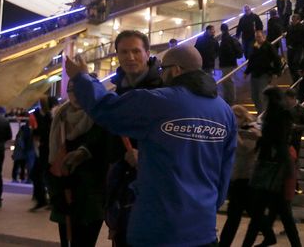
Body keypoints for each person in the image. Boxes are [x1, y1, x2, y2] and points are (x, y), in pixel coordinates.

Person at [65, 45, 237, 247]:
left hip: (156, 229)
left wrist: (82, 78)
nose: (162, 75)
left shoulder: (157, 101)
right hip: (203, 231)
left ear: (176, 70)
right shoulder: (225, 112)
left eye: (164, 70)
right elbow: (225, 174)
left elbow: (107, 109)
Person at [104, 30, 163, 245]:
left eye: (136, 51)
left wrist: (146, 155)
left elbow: (175, 136)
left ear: (147, 53)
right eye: (124, 52)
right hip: (122, 186)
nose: (130, 57)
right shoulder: (116, 92)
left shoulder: (165, 89)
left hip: (156, 188)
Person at [48, 79, 107, 247]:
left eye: (80, 90)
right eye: (71, 90)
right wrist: (55, 193)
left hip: (91, 196)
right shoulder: (59, 117)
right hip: (63, 193)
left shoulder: (101, 118)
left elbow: (103, 152)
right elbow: (48, 158)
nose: (75, 95)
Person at [242, 88, 301, 247]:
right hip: (278, 167)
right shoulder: (280, 116)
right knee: (281, 213)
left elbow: (277, 141)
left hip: (273, 167)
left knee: (261, 212)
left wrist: (260, 138)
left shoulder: (277, 117)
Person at [219, 105, 260, 247]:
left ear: (242, 116)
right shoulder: (236, 131)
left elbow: (245, 149)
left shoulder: (252, 130)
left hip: (246, 178)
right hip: (236, 178)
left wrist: (233, 133)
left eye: (234, 116)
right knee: (234, 216)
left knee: (240, 215)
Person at [244, 30, 282, 114]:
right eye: (256, 37)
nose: (257, 39)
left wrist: (276, 72)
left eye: (259, 37)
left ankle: (263, 114)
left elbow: (277, 59)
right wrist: (247, 72)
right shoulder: (255, 47)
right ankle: (260, 112)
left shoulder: (269, 47)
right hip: (254, 74)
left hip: (264, 74)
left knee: (262, 96)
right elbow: (251, 60)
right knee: (254, 96)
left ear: (264, 37)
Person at [30, 96, 56, 211]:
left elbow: (42, 132)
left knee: (40, 174)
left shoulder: (49, 117)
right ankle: (48, 200)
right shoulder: (51, 117)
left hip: (47, 150)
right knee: (47, 176)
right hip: (48, 149)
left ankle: (44, 200)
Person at [218, 23, 243, 105]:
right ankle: (229, 98)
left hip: (227, 63)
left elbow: (227, 51)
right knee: (227, 81)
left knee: (228, 81)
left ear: (221, 30)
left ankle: (230, 99)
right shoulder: (229, 38)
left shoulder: (225, 39)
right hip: (230, 62)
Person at [285, 89, 304, 159]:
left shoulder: (301, 110)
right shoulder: (284, 109)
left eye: (288, 100)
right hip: (284, 138)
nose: (287, 102)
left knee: (294, 158)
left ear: (293, 98)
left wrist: (297, 127)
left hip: (295, 138)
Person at [286, 14, 304, 83]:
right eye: (292, 20)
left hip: (299, 47)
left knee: (295, 62)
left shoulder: (303, 27)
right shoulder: (289, 27)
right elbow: (287, 36)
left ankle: (297, 77)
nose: (293, 21)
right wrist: (288, 44)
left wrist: (303, 44)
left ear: (298, 20)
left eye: (294, 20)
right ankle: (294, 77)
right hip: (291, 47)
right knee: (290, 63)